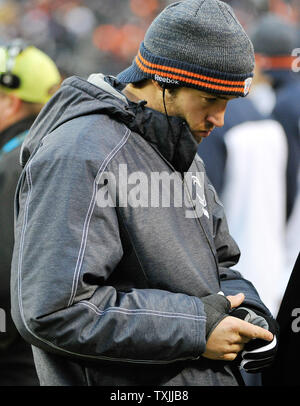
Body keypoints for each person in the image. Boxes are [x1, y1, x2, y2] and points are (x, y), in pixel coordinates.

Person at [10, 0, 278, 386]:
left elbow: (219, 268)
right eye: (210, 100)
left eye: (228, 103)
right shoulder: (80, 153)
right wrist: (197, 329)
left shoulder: (182, 149)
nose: (220, 120)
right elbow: (52, 310)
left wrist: (245, 312)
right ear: (163, 81)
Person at [0, 39, 61, 385]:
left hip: (17, 359)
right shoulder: (57, 149)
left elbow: (6, 280)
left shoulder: (16, 163)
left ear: (10, 101)